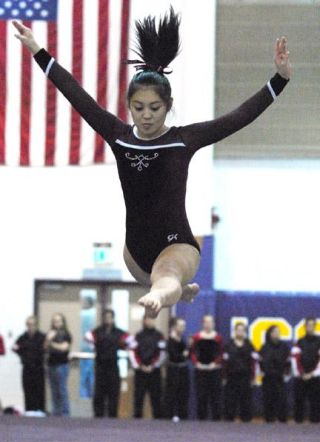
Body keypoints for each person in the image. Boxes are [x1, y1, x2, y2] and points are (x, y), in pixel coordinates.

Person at [12, 10, 291, 318]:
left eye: (154, 108)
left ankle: (163, 294)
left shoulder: (183, 140)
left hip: (178, 246)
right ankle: (174, 291)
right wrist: (37, 49)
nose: (146, 115)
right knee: (161, 277)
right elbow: (76, 94)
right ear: (128, 106)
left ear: (168, 106)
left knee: (166, 275)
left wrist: (279, 80)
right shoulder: (119, 137)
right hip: (135, 254)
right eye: (138, 107)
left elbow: (238, 117)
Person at [85, 309, 133, 418]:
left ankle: (112, 416)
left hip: (113, 366)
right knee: (99, 393)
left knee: (113, 393)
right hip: (100, 366)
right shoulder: (97, 332)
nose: (108, 319)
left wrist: (124, 346)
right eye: (106, 317)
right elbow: (88, 338)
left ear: (113, 318)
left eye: (110, 317)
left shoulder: (119, 332)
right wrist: (93, 346)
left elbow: (131, 341)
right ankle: (98, 415)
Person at [129, 315, 166, 419]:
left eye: (152, 319)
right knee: (139, 397)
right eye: (148, 319)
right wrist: (140, 365)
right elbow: (133, 352)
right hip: (140, 371)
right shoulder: (138, 336)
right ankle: (137, 418)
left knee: (156, 397)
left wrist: (153, 365)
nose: (150, 321)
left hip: (154, 371)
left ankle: (158, 418)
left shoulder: (159, 335)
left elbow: (162, 353)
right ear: (144, 321)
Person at [191, 314, 223, 420]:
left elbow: (221, 353)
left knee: (215, 396)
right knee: (201, 396)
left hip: (214, 370)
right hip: (201, 370)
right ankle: (201, 418)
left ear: (213, 324)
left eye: (210, 322)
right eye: (206, 322)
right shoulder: (197, 337)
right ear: (203, 324)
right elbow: (192, 352)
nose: (208, 324)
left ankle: (216, 418)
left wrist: (215, 363)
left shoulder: (218, 337)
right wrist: (197, 363)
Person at [223, 322, 257, 422]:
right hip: (231, 376)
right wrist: (224, 377)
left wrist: (253, 377)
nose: (240, 332)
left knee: (246, 400)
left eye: (242, 330)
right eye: (238, 330)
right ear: (234, 331)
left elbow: (253, 362)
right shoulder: (228, 345)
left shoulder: (250, 345)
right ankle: (229, 419)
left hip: (245, 377)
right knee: (230, 400)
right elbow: (224, 363)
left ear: (245, 332)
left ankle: (246, 420)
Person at [12, 316, 46, 413]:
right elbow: (15, 348)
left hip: (38, 368)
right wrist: (23, 356)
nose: (31, 327)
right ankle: (29, 411)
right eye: (29, 324)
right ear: (26, 325)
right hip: (27, 368)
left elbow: (45, 349)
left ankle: (40, 411)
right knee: (28, 390)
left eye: (33, 324)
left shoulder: (42, 337)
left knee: (39, 391)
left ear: (36, 325)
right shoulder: (22, 337)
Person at [291, 317, 320, 423]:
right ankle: (298, 421)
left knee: (315, 401)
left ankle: (315, 422)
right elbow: (295, 359)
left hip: (315, 376)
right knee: (299, 400)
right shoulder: (299, 341)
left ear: (315, 327)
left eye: (312, 325)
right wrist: (302, 373)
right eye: (308, 325)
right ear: (305, 327)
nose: (310, 327)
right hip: (301, 376)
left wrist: (313, 373)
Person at [259, 325, 290, 423]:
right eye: (275, 332)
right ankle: (269, 420)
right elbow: (260, 363)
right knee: (268, 401)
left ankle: (282, 421)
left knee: (282, 401)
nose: (277, 334)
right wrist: (264, 372)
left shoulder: (284, 347)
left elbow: (288, 362)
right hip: (268, 378)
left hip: (280, 378)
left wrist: (286, 375)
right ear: (270, 334)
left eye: (278, 332)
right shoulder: (264, 347)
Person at [45, 313, 72, 416]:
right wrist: (48, 340)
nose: (56, 323)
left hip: (62, 365)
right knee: (54, 390)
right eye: (54, 321)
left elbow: (63, 348)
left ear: (62, 322)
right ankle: (55, 413)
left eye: (58, 321)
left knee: (62, 390)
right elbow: (45, 347)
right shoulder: (50, 334)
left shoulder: (66, 334)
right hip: (51, 364)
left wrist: (51, 343)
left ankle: (65, 413)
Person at [165, 317, 190, 421]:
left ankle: (182, 416)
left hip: (183, 370)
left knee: (183, 394)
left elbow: (186, 354)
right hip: (173, 370)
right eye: (180, 326)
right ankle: (169, 415)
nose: (183, 328)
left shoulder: (182, 340)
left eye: (184, 326)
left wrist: (184, 354)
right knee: (172, 394)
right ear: (174, 327)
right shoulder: (170, 340)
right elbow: (175, 356)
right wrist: (183, 354)